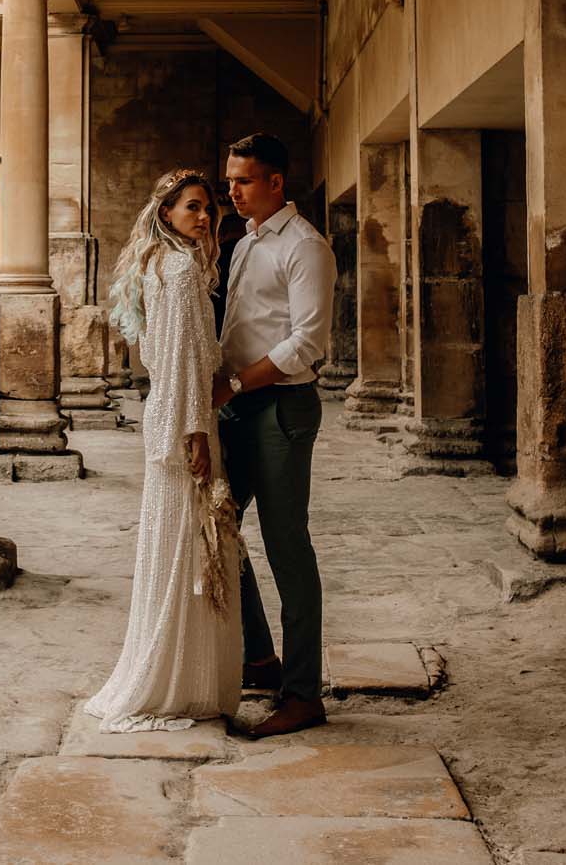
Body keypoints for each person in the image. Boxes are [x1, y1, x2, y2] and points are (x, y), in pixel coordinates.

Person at [85, 169, 242, 732]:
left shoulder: (160, 263)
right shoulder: (176, 268)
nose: (204, 217)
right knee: (189, 547)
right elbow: (175, 361)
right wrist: (196, 433)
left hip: (172, 415)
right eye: (193, 208)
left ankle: (181, 677)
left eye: (209, 209)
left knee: (182, 545)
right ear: (167, 213)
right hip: (184, 423)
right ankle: (177, 684)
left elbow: (171, 356)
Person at [212, 132, 336, 739]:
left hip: (281, 408)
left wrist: (233, 385)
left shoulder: (305, 247)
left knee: (288, 548)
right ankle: (259, 655)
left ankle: (303, 694)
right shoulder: (244, 244)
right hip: (237, 404)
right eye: (229, 180)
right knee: (215, 528)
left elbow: (306, 343)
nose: (231, 191)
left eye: (244, 180)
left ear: (276, 182)